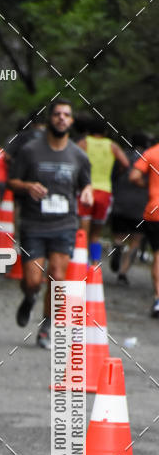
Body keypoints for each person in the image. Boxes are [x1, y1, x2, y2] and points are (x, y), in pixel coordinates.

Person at [8, 99, 93, 348]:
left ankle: (46, 326)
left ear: (72, 121)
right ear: (50, 119)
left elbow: (85, 182)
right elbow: (12, 181)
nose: (62, 118)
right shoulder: (31, 150)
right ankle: (29, 296)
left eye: (67, 115)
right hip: (34, 223)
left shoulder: (79, 155)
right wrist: (26, 186)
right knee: (33, 280)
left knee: (57, 277)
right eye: (57, 114)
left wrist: (87, 191)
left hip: (64, 224)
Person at [77, 118, 130, 259]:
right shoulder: (112, 145)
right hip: (104, 191)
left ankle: (82, 262)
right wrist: (116, 174)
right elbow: (125, 163)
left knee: (83, 232)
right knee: (95, 234)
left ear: (89, 131)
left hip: (86, 190)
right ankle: (94, 264)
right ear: (105, 132)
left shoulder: (84, 143)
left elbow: (72, 159)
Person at [110, 132, 150, 284]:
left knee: (119, 235)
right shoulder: (150, 158)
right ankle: (123, 272)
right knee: (136, 240)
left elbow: (113, 176)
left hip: (120, 201)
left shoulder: (123, 155)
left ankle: (117, 247)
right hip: (141, 205)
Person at [130, 138, 159, 316]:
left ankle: (158, 299)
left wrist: (148, 186)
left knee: (158, 254)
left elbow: (134, 176)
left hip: (155, 210)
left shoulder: (152, 152)